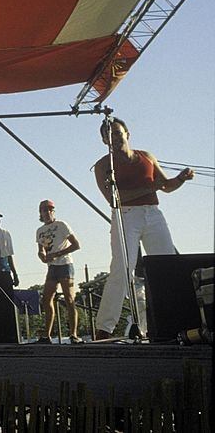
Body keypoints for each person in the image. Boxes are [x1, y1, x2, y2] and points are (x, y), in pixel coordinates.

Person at [92, 117, 193, 340]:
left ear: (127, 133)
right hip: (125, 214)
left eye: (117, 132)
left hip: (153, 213)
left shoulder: (147, 156)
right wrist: (151, 187)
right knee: (122, 268)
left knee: (165, 265)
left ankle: (171, 322)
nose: (115, 138)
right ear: (103, 141)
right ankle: (104, 328)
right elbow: (114, 199)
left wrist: (181, 178)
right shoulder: (102, 166)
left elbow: (166, 186)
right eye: (109, 135)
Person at [35, 199, 82, 343]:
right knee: (46, 299)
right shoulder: (40, 231)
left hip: (65, 265)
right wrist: (42, 255)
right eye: (44, 210)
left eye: (50, 209)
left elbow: (76, 245)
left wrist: (56, 254)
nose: (47, 212)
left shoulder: (61, 225)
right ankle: (46, 335)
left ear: (53, 211)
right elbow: (40, 249)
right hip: (52, 267)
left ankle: (73, 334)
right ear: (40, 213)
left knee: (69, 299)